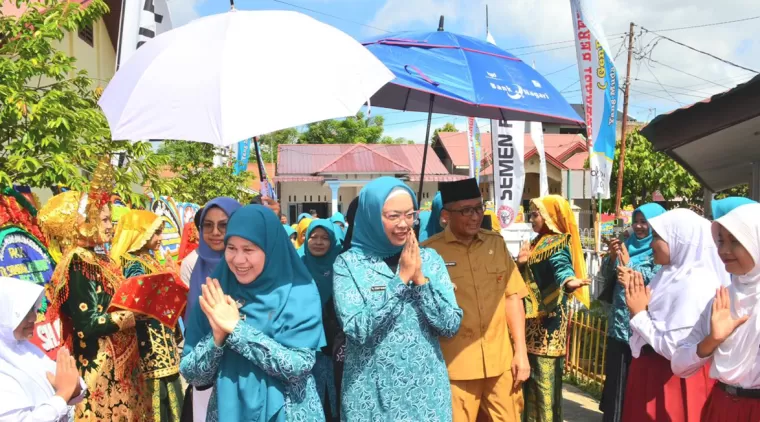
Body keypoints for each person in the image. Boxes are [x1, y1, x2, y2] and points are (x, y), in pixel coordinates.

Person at [333, 177, 462, 421]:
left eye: (410, 214)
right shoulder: (349, 264)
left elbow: (450, 325)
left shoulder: (430, 259)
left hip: (427, 395)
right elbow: (357, 330)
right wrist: (400, 279)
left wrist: (421, 280)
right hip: (369, 395)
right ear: (371, 214)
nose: (404, 224)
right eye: (393, 216)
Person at [180, 205, 326, 422]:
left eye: (248, 250)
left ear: (270, 248)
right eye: (231, 248)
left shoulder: (299, 292)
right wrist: (217, 339)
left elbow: (298, 367)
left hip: (288, 412)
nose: (238, 260)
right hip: (227, 412)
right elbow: (192, 374)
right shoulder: (218, 290)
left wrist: (236, 330)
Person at [38, 159, 145, 421]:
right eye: (105, 219)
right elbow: (86, 324)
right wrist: (132, 316)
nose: (111, 225)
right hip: (99, 371)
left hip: (120, 367)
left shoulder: (100, 258)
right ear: (86, 221)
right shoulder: (79, 261)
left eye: (111, 219)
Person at [422, 178, 529, 422]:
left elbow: (512, 298)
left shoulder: (496, 244)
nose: (475, 216)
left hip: (501, 365)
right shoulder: (429, 253)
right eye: (466, 210)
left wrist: (520, 353)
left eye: (479, 208)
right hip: (455, 369)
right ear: (446, 215)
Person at [620, 208, 726, 422]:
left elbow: (675, 348)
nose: (651, 244)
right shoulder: (669, 274)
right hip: (653, 376)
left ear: (681, 239)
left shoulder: (695, 283)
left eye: (658, 237)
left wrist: (640, 314)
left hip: (674, 381)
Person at [672, 203, 760, 421]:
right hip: (721, 408)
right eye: (721, 241)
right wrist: (712, 340)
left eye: (736, 241)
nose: (724, 250)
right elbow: (678, 365)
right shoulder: (722, 300)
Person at [519, 195, 590, 422]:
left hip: (548, 329)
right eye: (531, 214)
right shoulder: (536, 241)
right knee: (528, 384)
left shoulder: (557, 243)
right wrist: (520, 263)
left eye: (535, 214)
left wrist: (570, 282)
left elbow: (562, 269)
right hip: (530, 324)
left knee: (544, 385)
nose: (532, 219)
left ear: (549, 216)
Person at [110, 210, 185, 422]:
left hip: (161, 338)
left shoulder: (148, 258)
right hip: (149, 343)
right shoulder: (132, 263)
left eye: (161, 233)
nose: (160, 238)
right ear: (140, 234)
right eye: (156, 233)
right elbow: (137, 300)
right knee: (156, 397)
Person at [598, 203, 666, 422]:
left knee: (633, 385)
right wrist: (611, 258)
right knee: (616, 382)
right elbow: (606, 278)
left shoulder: (660, 251)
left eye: (644, 222)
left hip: (641, 331)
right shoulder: (626, 245)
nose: (638, 226)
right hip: (618, 325)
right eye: (636, 221)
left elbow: (655, 281)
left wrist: (629, 265)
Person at [183, 198, 241, 422]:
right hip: (204, 370)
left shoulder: (246, 266)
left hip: (240, 374)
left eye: (223, 225)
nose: (215, 232)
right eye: (208, 225)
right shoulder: (197, 264)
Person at [0, 276, 87, 421]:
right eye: (23, 313)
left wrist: (73, 387)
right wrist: (63, 394)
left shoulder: (24, 348)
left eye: (33, 310)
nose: (33, 318)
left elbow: (70, 383)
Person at [302, 220, 343, 421]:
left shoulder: (342, 267)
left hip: (338, 346)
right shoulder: (298, 266)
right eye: (313, 236)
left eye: (325, 238)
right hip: (306, 345)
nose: (318, 242)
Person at [180, 207, 203, 287]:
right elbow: (183, 243)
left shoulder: (231, 258)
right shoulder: (189, 263)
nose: (216, 232)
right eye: (208, 225)